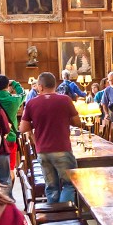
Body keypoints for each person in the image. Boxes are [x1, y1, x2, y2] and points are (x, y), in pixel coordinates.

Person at [21, 71, 81, 203]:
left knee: (51, 187)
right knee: (69, 184)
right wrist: (63, 119)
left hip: (42, 151)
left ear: (41, 86)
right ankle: (65, 213)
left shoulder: (31, 103)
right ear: (55, 85)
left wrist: (37, 122)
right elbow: (77, 122)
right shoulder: (65, 100)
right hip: (62, 148)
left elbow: (23, 128)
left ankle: (54, 213)